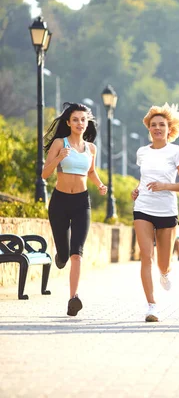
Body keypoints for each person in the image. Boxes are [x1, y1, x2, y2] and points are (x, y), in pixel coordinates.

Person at [42, 102, 107, 316]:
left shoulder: (91, 148)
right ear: (69, 122)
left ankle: (73, 297)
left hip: (82, 203)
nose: (80, 123)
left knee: (77, 253)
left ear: (87, 123)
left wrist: (99, 184)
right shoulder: (60, 143)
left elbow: (91, 171)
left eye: (83, 119)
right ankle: (60, 255)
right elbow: (45, 174)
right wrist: (59, 158)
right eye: (76, 119)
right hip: (59, 202)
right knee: (64, 252)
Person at [131, 103, 179, 322]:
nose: (157, 128)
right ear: (149, 128)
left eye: (161, 125)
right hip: (143, 207)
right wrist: (136, 190)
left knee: (163, 263)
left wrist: (164, 186)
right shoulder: (142, 152)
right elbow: (144, 179)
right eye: (153, 125)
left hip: (166, 210)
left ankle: (165, 273)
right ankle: (151, 305)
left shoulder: (176, 152)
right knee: (146, 256)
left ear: (169, 128)